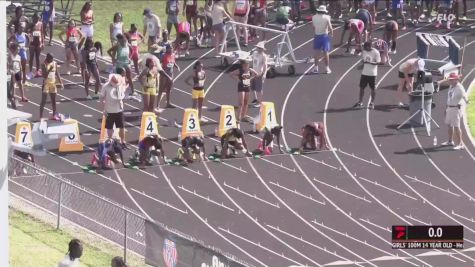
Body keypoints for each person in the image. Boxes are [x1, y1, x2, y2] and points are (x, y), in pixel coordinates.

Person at [439, 73, 469, 150]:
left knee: (456, 127)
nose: (450, 81)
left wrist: (467, 101)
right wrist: (446, 108)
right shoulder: (451, 86)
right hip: (449, 108)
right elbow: (449, 97)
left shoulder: (460, 88)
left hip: (456, 109)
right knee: (449, 125)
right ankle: (450, 141)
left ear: (456, 80)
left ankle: (460, 144)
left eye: (452, 80)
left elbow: (465, 96)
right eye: (450, 80)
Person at [100, 67, 128, 148]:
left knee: (122, 127)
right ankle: (110, 140)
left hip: (119, 110)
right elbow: (101, 97)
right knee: (109, 127)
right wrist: (104, 109)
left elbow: (122, 95)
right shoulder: (105, 86)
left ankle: (123, 141)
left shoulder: (119, 85)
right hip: (109, 110)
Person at [353, 41, 381, 109]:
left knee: (373, 89)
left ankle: (372, 103)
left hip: (372, 74)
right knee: (361, 88)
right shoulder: (364, 51)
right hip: (364, 73)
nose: (365, 49)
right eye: (364, 48)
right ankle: (360, 102)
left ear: (370, 47)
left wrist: (370, 62)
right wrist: (361, 66)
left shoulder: (376, 52)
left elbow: (378, 62)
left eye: (366, 48)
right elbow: (363, 60)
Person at [39, 53, 64, 121]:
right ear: (47, 58)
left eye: (53, 59)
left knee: (53, 101)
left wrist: (61, 82)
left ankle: (54, 115)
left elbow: (57, 73)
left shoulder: (54, 63)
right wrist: (50, 69)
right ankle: (40, 117)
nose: (52, 60)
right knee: (43, 101)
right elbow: (44, 76)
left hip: (53, 84)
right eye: (51, 59)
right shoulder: (43, 64)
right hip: (46, 84)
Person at [158, 45, 180, 111]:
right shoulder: (163, 55)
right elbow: (159, 63)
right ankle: (157, 105)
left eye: (171, 48)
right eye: (169, 48)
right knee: (161, 90)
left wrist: (177, 66)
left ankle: (168, 103)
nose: (171, 49)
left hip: (171, 74)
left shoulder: (173, 55)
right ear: (167, 49)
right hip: (164, 75)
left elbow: (173, 61)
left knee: (169, 89)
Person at [312, 5, 333, 74]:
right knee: (326, 52)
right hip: (324, 36)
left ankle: (315, 68)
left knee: (316, 52)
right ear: (324, 11)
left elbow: (313, 27)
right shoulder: (327, 17)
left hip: (317, 36)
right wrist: (331, 34)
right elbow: (330, 28)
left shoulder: (313, 17)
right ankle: (327, 68)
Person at [251, 41, 268, 107]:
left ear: (262, 49)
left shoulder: (264, 56)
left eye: (259, 48)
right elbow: (252, 61)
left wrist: (264, 74)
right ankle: (255, 99)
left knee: (259, 89)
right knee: (252, 87)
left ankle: (260, 102)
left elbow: (265, 65)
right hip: (253, 73)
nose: (258, 49)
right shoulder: (254, 53)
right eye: (257, 47)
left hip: (259, 74)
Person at [28, 12, 44, 78]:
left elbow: (42, 33)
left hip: (38, 43)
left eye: (38, 18)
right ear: (33, 18)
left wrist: (42, 43)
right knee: (31, 57)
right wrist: (29, 36)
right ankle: (30, 71)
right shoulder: (30, 24)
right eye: (35, 18)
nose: (37, 19)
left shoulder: (41, 24)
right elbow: (27, 32)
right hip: (32, 43)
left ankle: (38, 71)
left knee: (38, 57)